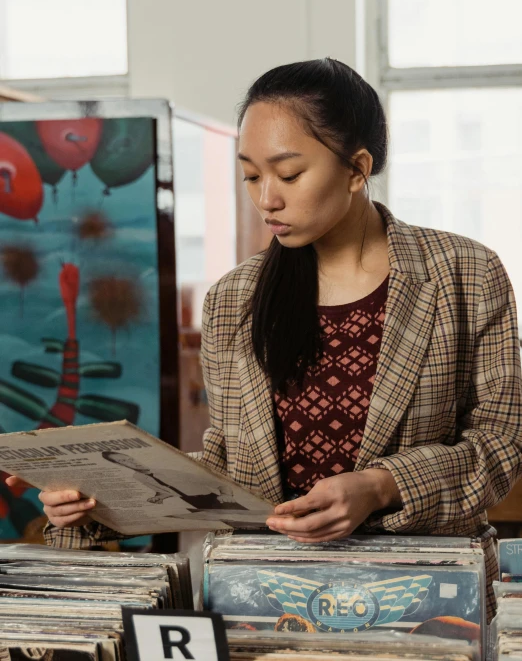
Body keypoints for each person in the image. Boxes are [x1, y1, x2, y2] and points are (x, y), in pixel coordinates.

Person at [7, 58, 522, 621]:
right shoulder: (234, 298)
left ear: (357, 167)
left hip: (425, 594)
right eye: (251, 175)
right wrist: (96, 499)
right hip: (261, 594)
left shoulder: (463, 273)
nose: (267, 198)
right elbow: (232, 470)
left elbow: (500, 444)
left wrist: (380, 487)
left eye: (289, 174)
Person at [99, 451, 248, 511]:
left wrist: (228, 495)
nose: (131, 462)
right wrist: (159, 496)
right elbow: (166, 489)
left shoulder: (169, 468)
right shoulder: (138, 477)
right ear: (120, 465)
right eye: (124, 461)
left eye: (129, 457)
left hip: (215, 499)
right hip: (190, 503)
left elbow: (220, 483)